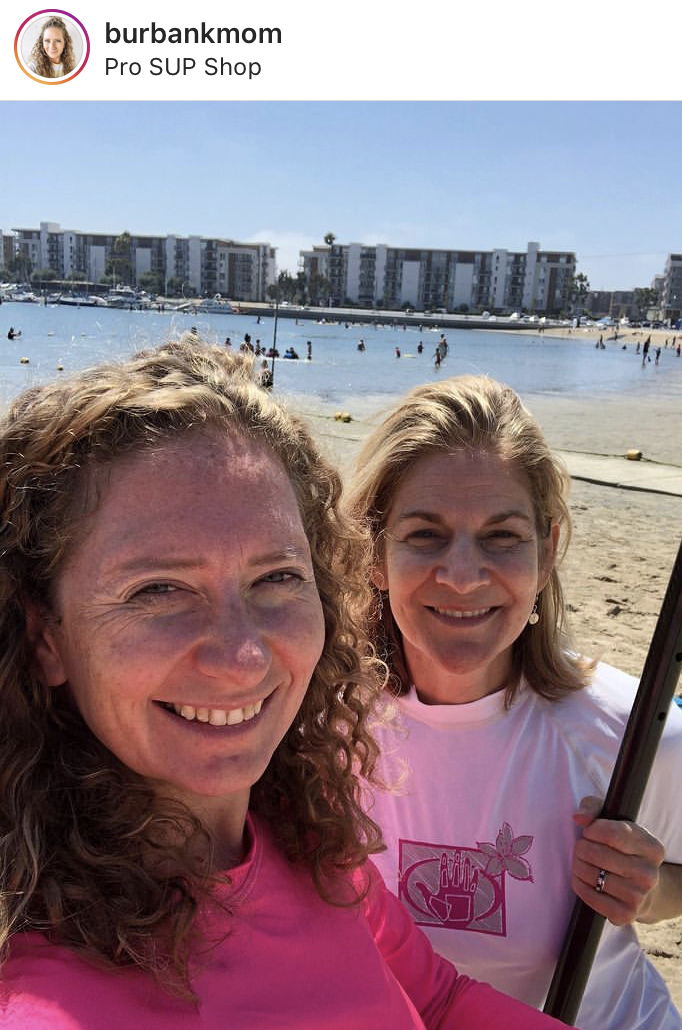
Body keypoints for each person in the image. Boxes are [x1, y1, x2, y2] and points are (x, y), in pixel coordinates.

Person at [0, 345, 570, 1030]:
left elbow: (440, 1001)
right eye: (158, 590)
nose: (242, 658)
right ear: (44, 637)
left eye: (277, 578)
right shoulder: (46, 1001)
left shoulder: (309, 843)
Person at [346, 375, 682, 1030]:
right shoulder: (320, 728)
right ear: (376, 554)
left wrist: (646, 890)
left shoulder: (633, 731)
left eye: (502, 537)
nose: (462, 575)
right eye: (426, 535)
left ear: (546, 554)